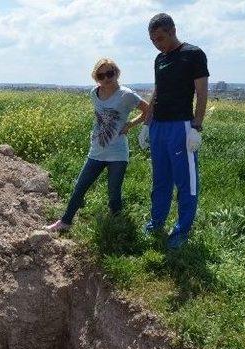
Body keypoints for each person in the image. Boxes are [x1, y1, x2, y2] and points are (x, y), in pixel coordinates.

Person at [46, 58, 149, 232]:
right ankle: (65, 222)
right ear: (96, 78)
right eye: (101, 75)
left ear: (117, 73)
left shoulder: (127, 95)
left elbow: (148, 110)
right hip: (96, 150)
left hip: (118, 152)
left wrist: (130, 124)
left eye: (110, 73)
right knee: (80, 186)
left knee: (113, 191)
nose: (106, 78)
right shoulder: (94, 93)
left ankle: (117, 227)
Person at [138, 13, 209, 249]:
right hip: (158, 125)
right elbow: (157, 92)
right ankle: (156, 222)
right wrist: (147, 123)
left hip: (181, 126)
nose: (158, 43)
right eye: (153, 40)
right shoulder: (160, 59)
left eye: (160, 38)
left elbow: (201, 94)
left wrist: (196, 128)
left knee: (186, 181)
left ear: (173, 30)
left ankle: (181, 230)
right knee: (161, 179)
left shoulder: (193, 54)